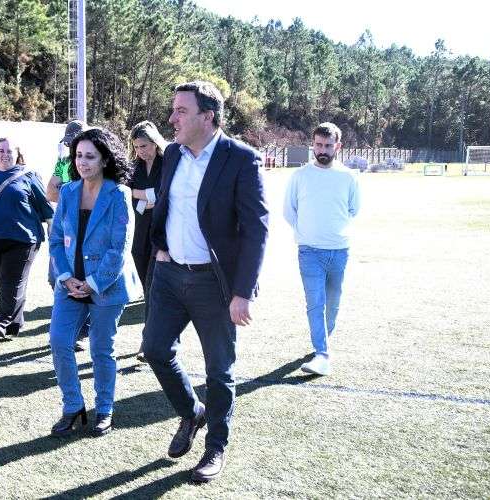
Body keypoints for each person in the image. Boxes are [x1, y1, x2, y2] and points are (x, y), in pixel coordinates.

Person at [142, 81, 269, 483]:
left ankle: (216, 447)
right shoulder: (173, 153)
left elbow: (256, 229)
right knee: (155, 349)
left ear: (207, 117)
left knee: (219, 370)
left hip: (214, 283)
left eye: (181, 111)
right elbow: (165, 205)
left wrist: (242, 292)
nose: (172, 118)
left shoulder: (241, 159)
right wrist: (160, 247)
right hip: (169, 275)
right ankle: (191, 412)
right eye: (173, 110)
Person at [48, 128, 138, 437]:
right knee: (59, 341)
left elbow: (119, 248)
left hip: (106, 287)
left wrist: (93, 283)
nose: (82, 162)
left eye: (90, 156)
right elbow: (56, 240)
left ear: (105, 160)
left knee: (101, 349)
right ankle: (73, 406)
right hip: (69, 285)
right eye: (78, 156)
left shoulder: (119, 194)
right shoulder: (68, 192)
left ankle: (104, 410)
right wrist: (65, 277)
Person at [283, 122, 360, 376]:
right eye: (318, 145)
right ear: (312, 145)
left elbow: (353, 209)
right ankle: (322, 354)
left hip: (339, 250)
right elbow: (289, 211)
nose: (322, 150)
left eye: (328, 145)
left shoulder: (348, 177)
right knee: (315, 303)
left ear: (338, 146)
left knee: (332, 304)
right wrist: (307, 233)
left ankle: (323, 340)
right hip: (309, 251)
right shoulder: (300, 176)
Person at [0, 138, 54, 338]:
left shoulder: (29, 175)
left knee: (11, 283)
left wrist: (54, 231)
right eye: (1, 150)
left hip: (22, 240)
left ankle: (2, 322)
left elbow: (45, 207)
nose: (5, 154)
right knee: (0, 283)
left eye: (9, 151)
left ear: (17, 155)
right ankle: (15, 322)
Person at [47, 119, 90, 351]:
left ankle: (82, 330)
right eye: (69, 143)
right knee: (55, 277)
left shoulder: (94, 160)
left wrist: (66, 190)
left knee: (86, 277)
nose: (72, 146)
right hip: (65, 229)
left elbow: (87, 194)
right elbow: (50, 192)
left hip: (88, 229)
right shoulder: (63, 162)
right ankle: (73, 325)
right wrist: (69, 191)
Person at [127, 120, 167, 360]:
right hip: (139, 234)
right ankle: (161, 338)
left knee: (153, 289)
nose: (140, 151)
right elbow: (128, 194)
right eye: (136, 147)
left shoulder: (168, 162)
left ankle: (148, 342)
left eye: (144, 145)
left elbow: (164, 196)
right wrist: (146, 198)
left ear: (155, 142)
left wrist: (142, 196)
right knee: (147, 289)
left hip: (161, 235)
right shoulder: (135, 167)